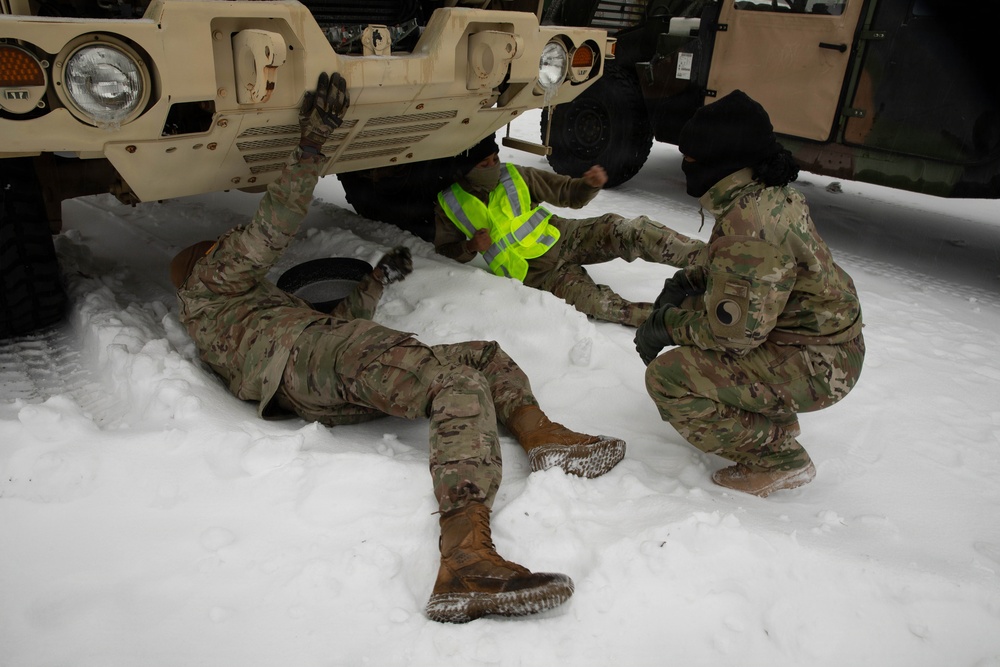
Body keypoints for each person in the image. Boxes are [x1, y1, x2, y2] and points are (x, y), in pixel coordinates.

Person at [170, 72, 627, 623]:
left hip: (315, 366)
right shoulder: (212, 280)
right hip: (311, 357)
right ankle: (465, 561)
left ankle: (543, 437)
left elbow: (335, 334)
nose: (229, 249)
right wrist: (314, 144)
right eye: (221, 249)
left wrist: (377, 281)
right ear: (209, 260)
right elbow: (272, 229)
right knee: (453, 383)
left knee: (481, 355)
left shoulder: (232, 313)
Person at [634, 90, 865, 498]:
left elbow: (734, 336)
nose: (687, 165)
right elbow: (739, 274)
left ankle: (779, 460)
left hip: (818, 363)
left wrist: (666, 326)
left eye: (692, 159)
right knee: (695, 309)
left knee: (669, 377)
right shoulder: (766, 193)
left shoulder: (749, 223)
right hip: (817, 341)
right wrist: (688, 284)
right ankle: (771, 417)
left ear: (720, 163)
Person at [432, 135, 705, 326]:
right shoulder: (450, 204)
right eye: (484, 164)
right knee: (601, 306)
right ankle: (683, 319)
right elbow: (445, 249)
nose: (493, 166)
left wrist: (587, 185)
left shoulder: (516, 176)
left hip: (567, 237)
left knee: (624, 230)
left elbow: (565, 192)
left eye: (495, 158)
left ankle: (707, 258)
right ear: (465, 169)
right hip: (543, 277)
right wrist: (470, 247)